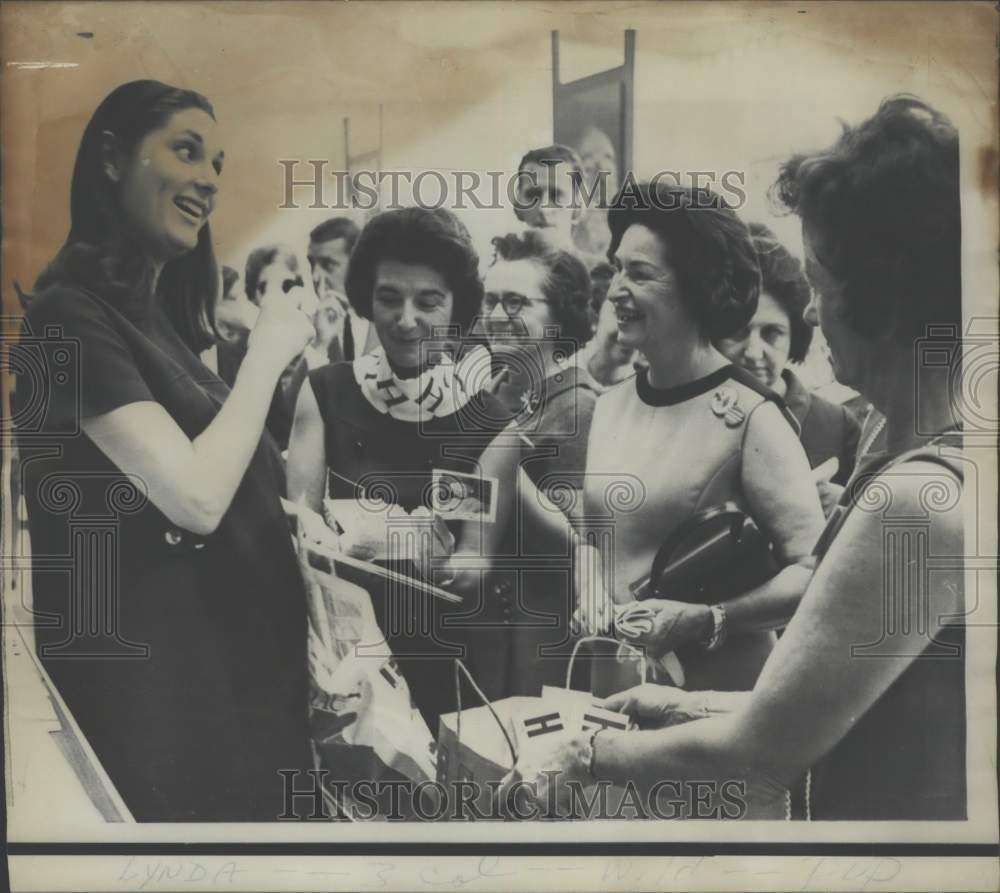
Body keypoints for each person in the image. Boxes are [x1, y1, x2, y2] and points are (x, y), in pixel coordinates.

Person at [511, 96, 966, 821]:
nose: (809, 313)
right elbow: (815, 705)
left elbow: (759, 758)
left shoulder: (918, 501)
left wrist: (584, 754)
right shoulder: (908, 444)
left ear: (883, 300)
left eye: (819, 285)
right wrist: (685, 704)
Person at [13, 80, 315, 821]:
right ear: (111, 159)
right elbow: (194, 498)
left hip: (230, 689)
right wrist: (267, 352)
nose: (209, 179)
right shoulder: (66, 316)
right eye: (186, 151)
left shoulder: (157, 322)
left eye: (217, 164)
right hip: (165, 710)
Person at [575, 182, 826, 695]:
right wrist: (589, 587)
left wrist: (710, 618)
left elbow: (813, 571)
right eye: (618, 269)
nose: (617, 289)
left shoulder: (753, 416)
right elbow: (595, 538)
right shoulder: (610, 404)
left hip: (716, 697)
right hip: (617, 681)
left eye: (639, 274)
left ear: (694, 286)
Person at [287, 206, 507, 727]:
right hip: (344, 659)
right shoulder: (326, 393)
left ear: (456, 308)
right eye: (389, 298)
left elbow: (474, 563)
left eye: (428, 302)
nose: (406, 320)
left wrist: (436, 558)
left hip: (446, 660)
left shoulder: (484, 421)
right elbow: (300, 531)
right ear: (367, 298)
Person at [445, 230, 598, 697]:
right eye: (490, 301)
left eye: (515, 303)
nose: (496, 317)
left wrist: (501, 455)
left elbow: (581, 545)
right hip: (486, 628)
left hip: (539, 643)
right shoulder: (499, 398)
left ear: (560, 315)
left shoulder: (578, 407)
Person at [716, 222, 862, 513]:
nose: (754, 352)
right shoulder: (691, 416)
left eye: (772, 333)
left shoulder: (837, 426)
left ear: (795, 334)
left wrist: (841, 506)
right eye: (738, 332)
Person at [307, 216, 379, 362]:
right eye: (312, 264)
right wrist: (320, 345)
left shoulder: (388, 320)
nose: (315, 276)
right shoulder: (307, 332)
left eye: (328, 264)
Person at [568, 260, 639, 393]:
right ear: (594, 318)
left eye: (639, 318)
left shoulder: (639, 391)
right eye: (622, 316)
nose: (632, 334)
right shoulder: (562, 375)